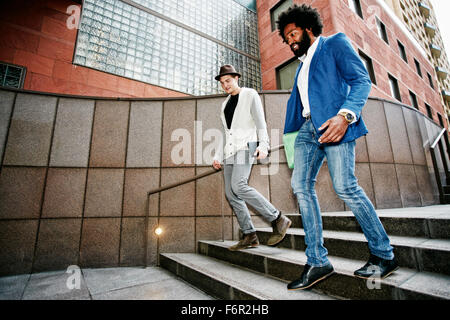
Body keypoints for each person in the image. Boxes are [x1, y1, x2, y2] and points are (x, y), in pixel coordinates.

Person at [276, 5, 398, 290]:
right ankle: (317, 260)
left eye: (293, 33)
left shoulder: (334, 43)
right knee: (301, 187)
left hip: (335, 123)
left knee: (345, 187)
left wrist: (345, 116)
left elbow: (361, 80)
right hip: (307, 130)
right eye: (286, 38)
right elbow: (301, 104)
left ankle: (384, 254)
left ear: (308, 28)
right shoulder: (302, 66)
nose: (290, 41)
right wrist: (290, 137)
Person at [212, 64, 291, 251]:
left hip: (246, 145)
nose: (225, 85)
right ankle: (249, 235)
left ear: (236, 78)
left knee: (238, 185)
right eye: (222, 83)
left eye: (228, 81)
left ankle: (278, 218)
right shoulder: (224, 105)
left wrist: (264, 145)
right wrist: (217, 155)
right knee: (231, 193)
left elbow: (260, 121)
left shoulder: (249, 94)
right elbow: (225, 132)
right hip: (230, 151)